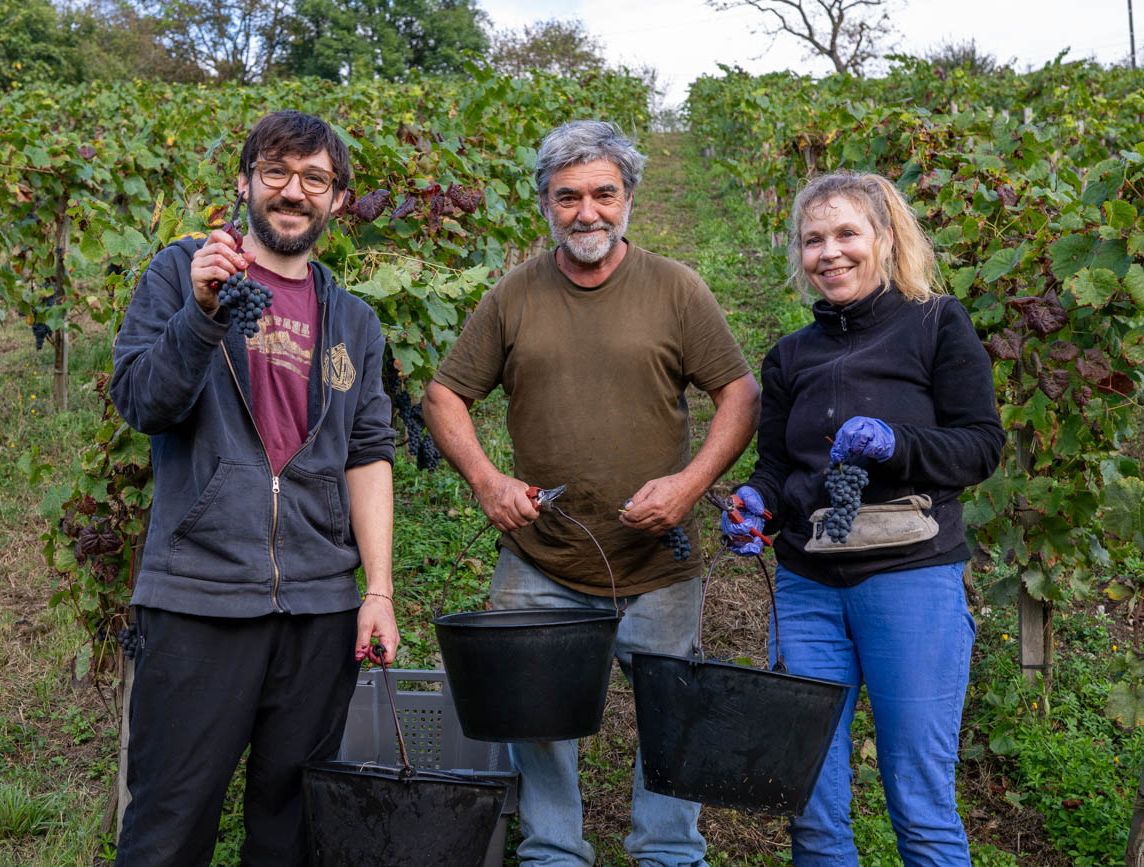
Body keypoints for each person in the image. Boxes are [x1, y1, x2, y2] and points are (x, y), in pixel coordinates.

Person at [424, 120, 760, 867]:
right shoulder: (514, 293)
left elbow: (739, 393)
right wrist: (488, 480)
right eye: (567, 195)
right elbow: (445, 396)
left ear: (629, 196)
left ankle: (669, 850)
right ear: (545, 201)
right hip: (541, 556)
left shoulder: (677, 288)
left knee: (670, 712)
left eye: (604, 193)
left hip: (658, 561)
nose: (587, 212)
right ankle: (552, 851)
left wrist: (690, 483)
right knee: (535, 715)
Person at [109, 109, 398, 865]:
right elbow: (143, 402)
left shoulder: (356, 323)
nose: (293, 191)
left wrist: (378, 591)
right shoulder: (182, 272)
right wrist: (202, 315)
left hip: (319, 606)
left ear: (337, 199)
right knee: (169, 824)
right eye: (276, 172)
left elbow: (368, 455)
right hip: (199, 597)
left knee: (292, 826)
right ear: (244, 183)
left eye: (314, 178)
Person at [723, 170, 1004, 866]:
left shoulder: (938, 323)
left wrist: (897, 442)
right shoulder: (790, 354)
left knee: (920, 796)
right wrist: (757, 503)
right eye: (813, 239)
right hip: (806, 587)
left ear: (883, 238)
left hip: (910, 577)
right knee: (810, 798)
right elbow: (777, 470)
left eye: (846, 233)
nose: (830, 253)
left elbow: (981, 445)